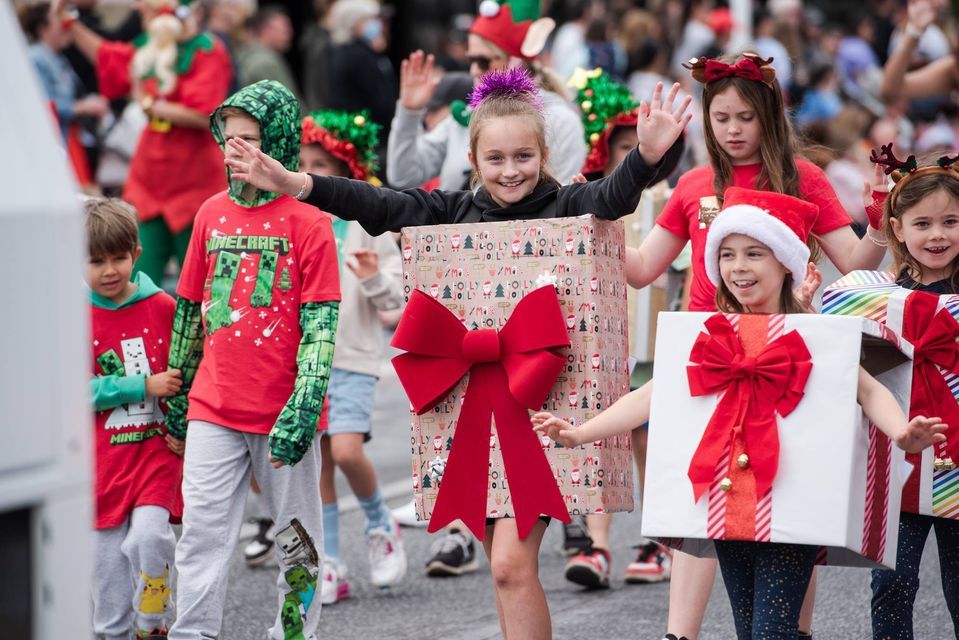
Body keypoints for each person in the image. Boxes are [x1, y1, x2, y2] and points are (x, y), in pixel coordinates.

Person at [225, 67, 690, 640]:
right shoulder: (451, 211)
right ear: (474, 157)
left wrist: (644, 158)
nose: (511, 170)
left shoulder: (570, 202)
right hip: (477, 416)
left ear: (543, 152)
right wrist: (297, 182)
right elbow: (374, 204)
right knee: (503, 572)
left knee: (508, 565)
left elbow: (613, 197)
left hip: (547, 410)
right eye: (495, 159)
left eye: (523, 156)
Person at [533, 187, 947, 640]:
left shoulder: (816, 333)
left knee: (771, 631)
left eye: (754, 253)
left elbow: (867, 392)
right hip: (727, 505)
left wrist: (901, 433)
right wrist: (580, 433)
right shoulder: (713, 331)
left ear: (786, 264)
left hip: (792, 506)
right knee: (750, 630)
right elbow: (655, 392)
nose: (738, 267)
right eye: (727, 255)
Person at [623, 52, 890, 640]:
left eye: (746, 116)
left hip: (783, 361)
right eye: (722, 118)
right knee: (703, 494)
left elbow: (852, 263)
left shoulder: (803, 178)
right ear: (707, 123)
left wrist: (879, 219)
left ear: (769, 117)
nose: (734, 129)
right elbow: (641, 268)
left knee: (785, 504)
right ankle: (679, 634)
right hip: (707, 362)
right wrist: (590, 214)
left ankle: (794, 631)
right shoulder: (693, 184)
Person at [164, 80, 340, 640]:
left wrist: (305, 403)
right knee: (201, 535)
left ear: (280, 143)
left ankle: (293, 633)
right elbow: (190, 313)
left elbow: (321, 325)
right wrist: (175, 398)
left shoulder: (309, 220)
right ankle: (193, 633)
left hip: (281, 412)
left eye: (252, 140)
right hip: (212, 407)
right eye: (229, 139)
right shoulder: (209, 214)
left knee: (296, 539)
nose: (237, 151)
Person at [834, 146, 959, 638]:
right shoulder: (873, 295)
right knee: (892, 583)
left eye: (951, 222)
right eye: (923, 223)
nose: (938, 235)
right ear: (898, 229)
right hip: (896, 462)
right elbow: (832, 320)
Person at [298, 109, 408, 603]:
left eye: (322, 163)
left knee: (345, 450)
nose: (310, 172)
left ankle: (380, 523)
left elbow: (396, 302)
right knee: (317, 460)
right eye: (303, 162)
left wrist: (371, 278)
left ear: (346, 168)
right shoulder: (291, 218)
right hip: (302, 361)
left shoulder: (367, 220)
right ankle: (330, 561)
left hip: (354, 356)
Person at [58, 0, 233, 284]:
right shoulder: (149, 49)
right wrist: (69, 22)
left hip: (195, 185)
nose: (140, 13)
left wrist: (152, 105)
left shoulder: (206, 50)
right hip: (150, 183)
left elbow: (206, 114)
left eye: (149, 10)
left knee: (202, 283)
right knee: (139, 277)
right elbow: (108, 56)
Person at [85, 197, 184, 640]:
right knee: (105, 572)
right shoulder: (73, 318)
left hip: (153, 453)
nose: (109, 270)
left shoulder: (163, 307)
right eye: (95, 261)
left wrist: (183, 428)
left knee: (150, 536)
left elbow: (188, 373)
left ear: (137, 255)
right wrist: (142, 385)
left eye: (118, 258)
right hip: (102, 464)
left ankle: (154, 620)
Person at [387, 0, 585, 197]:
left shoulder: (560, 120)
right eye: (470, 60)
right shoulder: (466, 117)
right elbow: (404, 176)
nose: (473, 70)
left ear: (516, 61)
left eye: (483, 61)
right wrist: (409, 111)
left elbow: (562, 204)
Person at [237, 5, 299, 100]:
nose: (291, 33)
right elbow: (286, 104)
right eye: (285, 30)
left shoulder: (248, 55)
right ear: (266, 29)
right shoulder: (265, 63)